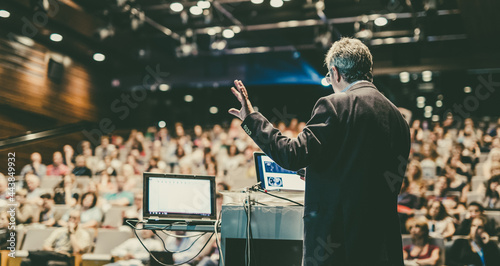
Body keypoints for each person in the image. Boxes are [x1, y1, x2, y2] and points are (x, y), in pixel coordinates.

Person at [228, 37, 411, 265]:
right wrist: (319, 172)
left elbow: (291, 154)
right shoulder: (398, 118)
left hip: (338, 243)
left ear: (335, 73)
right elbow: (366, 173)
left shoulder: (336, 104)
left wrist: (252, 119)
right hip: (382, 245)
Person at [22, 210, 92, 266]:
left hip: (69, 258)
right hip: (55, 255)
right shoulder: (59, 231)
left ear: (79, 220)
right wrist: (56, 251)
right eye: (70, 217)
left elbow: (77, 251)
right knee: (26, 261)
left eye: (74, 218)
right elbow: (45, 246)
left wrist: (71, 233)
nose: (71, 220)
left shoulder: (84, 234)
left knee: (52, 264)